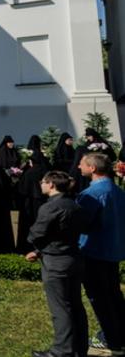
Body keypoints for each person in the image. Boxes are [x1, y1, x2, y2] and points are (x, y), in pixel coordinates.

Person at [25, 170, 88, 357]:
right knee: (75, 304)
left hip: (55, 261)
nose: (41, 184)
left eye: (43, 181)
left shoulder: (50, 207)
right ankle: (79, 348)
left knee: (60, 307)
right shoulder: (75, 205)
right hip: (73, 257)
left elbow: (36, 233)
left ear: (51, 184)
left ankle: (62, 350)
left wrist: (36, 245)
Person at [76, 152, 125, 356]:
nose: (79, 167)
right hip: (113, 249)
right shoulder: (117, 190)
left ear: (92, 168)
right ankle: (120, 333)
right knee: (114, 295)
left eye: (82, 164)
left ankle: (112, 340)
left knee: (99, 297)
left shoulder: (92, 194)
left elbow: (81, 222)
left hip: (94, 250)